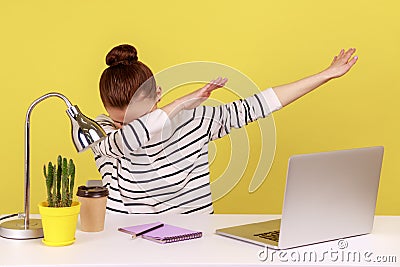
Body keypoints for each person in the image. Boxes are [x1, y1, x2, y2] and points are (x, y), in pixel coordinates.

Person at [92, 44, 358, 214]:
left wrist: (325, 75)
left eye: (142, 116)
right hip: (124, 244)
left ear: (157, 94)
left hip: (194, 242)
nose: (132, 127)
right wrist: (178, 104)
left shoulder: (195, 121)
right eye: (120, 122)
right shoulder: (100, 132)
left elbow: (259, 104)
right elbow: (128, 140)